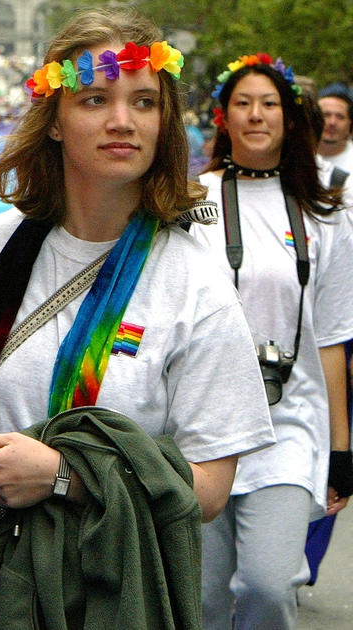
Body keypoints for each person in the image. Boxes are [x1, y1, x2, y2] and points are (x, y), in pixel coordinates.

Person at [0, 8, 276, 629]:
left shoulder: (195, 283)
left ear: (165, 122)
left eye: (145, 101)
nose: (122, 121)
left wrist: (65, 477)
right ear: (54, 121)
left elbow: (207, 488)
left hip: (99, 599)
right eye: (95, 99)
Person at [193, 53, 353, 630]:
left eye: (269, 103)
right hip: (200, 425)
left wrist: (341, 448)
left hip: (289, 424)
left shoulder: (326, 213)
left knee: (266, 584)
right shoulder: (189, 203)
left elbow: (332, 337)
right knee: (203, 600)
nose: (256, 115)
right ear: (223, 117)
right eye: (243, 103)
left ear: (290, 116)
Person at [316, 87, 353, 173]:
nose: (332, 123)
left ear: (350, 124)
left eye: (340, 117)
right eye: (326, 115)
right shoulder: (295, 156)